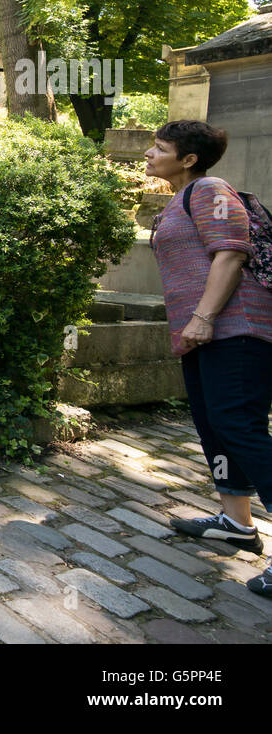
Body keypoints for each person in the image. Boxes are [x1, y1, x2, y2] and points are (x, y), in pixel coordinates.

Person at [146, 120, 272, 595]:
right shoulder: (179, 198)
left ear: (188, 159)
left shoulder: (211, 189)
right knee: (214, 424)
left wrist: (203, 316)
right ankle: (237, 522)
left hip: (235, 328)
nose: (148, 154)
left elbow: (231, 253)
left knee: (239, 426)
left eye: (158, 148)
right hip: (202, 335)